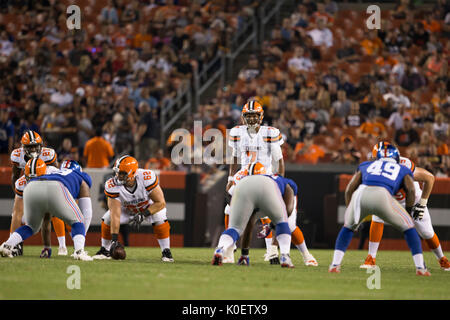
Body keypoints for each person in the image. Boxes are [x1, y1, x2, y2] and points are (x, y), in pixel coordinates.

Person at [329, 144, 431, 276]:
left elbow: (349, 189)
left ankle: (335, 265)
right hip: (381, 195)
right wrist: (408, 210)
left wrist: (351, 211)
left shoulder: (366, 165)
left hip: (360, 195)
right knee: (409, 228)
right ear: (397, 157)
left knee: (348, 227)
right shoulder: (402, 167)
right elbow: (411, 190)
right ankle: (420, 268)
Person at [360, 142, 450, 271]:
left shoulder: (405, 166)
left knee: (426, 232)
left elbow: (429, 178)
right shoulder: (373, 168)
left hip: (412, 201)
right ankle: (371, 258)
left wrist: (422, 203)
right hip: (390, 200)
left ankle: (442, 259)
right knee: (377, 218)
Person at [225, 162, 318, 266]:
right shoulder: (242, 178)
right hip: (256, 198)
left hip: (278, 199)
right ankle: (232, 251)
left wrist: (271, 231)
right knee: (236, 216)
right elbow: (229, 195)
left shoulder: (277, 186)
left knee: (289, 225)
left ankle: (304, 255)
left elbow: (285, 213)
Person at [226, 100, 285, 263]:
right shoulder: (237, 132)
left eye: (254, 116)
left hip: (264, 174)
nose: (251, 119)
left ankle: (271, 251)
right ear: (243, 117)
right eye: (248, 116)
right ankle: (230, 248)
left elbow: (279, 160)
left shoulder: (270, 133)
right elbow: (235, 156)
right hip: (244, 174)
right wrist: (231, 178)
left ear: (261, 116)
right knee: (229, 208)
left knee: (269, 213)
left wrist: (280, 178)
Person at [0, 159, 93, 261]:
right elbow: (87, 212)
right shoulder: (81, 177)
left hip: (31, 187)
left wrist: (47, 247)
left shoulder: (54, 172)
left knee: (31, 227)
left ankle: (7, 245)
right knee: (78, 221)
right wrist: (81, 239)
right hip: (56, 187)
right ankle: (79, 252)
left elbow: (46, 219)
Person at [92, 155, 174, 262]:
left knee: (159, 216)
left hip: (149, 207)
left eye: (122, 173)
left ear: (133, 173)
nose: (118, 176)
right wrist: (114, 240)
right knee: (108, 217)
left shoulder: (146, 177)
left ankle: (166, 252)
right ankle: (105, 250)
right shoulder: (112, 185)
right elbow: (115, 214)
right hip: (128, 210)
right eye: (117, 172)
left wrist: (144, 214)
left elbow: (160, 203)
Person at [212, 172, 295, 268]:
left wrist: (244, 255)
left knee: (235, 228)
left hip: (243, 185)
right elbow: (288, 211)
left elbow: (229, 194)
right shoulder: (287, 184)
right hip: (268, 187)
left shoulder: (254, 178)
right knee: (282, 222)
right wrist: (272, 225)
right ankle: (285, 256)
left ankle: (221, 249)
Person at [9, 130, 68, 256]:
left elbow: (56, 175)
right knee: (17, 212)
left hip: (47, 183)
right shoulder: (17, 156)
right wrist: (19, 195)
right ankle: (13, 244)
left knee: (54, 213)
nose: (34, 149)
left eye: (36, 146)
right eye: (30, 146)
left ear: (41, 145)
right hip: (27, 182)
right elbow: (14, 176)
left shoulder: (48, 154)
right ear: (23, 147)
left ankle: (62, 246)